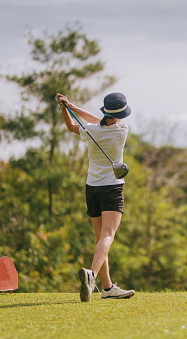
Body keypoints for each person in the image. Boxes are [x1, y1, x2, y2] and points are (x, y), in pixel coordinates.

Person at [56, 92, 135, 302]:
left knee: (100, 239)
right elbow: (96, 120)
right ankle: (91, 276)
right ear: (121, 114)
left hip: (92, 188)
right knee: (108, 236)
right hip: (112, 189)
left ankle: (107, 287)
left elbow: (73, 126)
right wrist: (70, 106)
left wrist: (67, 108)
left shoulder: (91, 131)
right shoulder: (122, 131)